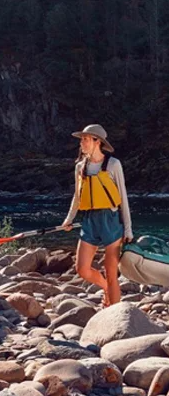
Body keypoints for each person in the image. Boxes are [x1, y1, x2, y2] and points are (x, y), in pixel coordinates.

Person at [62, 124, 133, 307]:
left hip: (111, 219)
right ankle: (105, 288)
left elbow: (123, 197)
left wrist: (128, 229)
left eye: (86, 139)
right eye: (82, 139)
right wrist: (69, 219)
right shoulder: (80, 167)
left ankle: (116, 315)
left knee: (111, 273)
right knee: (82, 269)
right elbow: (77, 197)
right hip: (89, 220)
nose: (82, 143)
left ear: (97, 141)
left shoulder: (113, 164)